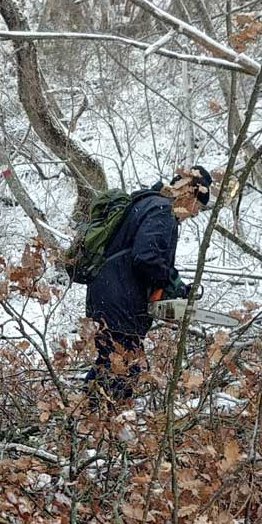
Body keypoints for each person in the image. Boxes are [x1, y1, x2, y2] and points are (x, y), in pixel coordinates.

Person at [85, 165, 213, 406]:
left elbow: (145, 256)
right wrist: (170, 281)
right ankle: (100, 424)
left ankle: (85, 419)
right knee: (126, 366)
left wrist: (171, 285)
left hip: (109, 294)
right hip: (119, 300)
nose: (195, 214)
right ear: (189, 194)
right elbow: (146, 258)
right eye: (198, 207)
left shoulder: (149, 204)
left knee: (110, 362)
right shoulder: (162, 212)